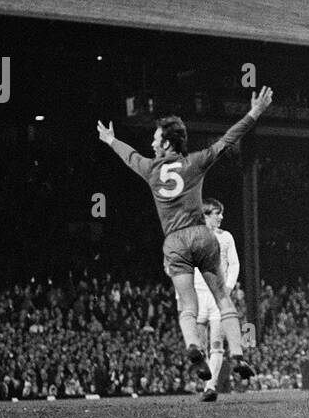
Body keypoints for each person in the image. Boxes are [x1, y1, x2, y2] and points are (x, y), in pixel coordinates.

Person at [97, 87, 271, 395]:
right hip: (202, 236)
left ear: (166, 142)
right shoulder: (195, 162)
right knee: (223, 298)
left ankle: (193, 346)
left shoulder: (150, 169)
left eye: (155, 137)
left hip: (174, 242)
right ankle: (238, 353)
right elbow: (228, 139)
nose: (152, 142)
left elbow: (129, 157)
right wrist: (254, 112)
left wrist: (111, 140)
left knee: (187, 306)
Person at [189, 198, 241, 402]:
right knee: (200, 347)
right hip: (200, 296)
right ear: (206, 215)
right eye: (217, 213)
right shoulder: (193, 237)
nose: (221, 217)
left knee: (216, 344)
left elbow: (235, 264)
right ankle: (206, 383)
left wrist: (227, 287)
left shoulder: (226, 237)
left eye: (221, 213)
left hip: (219, 297)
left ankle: (210, 387)